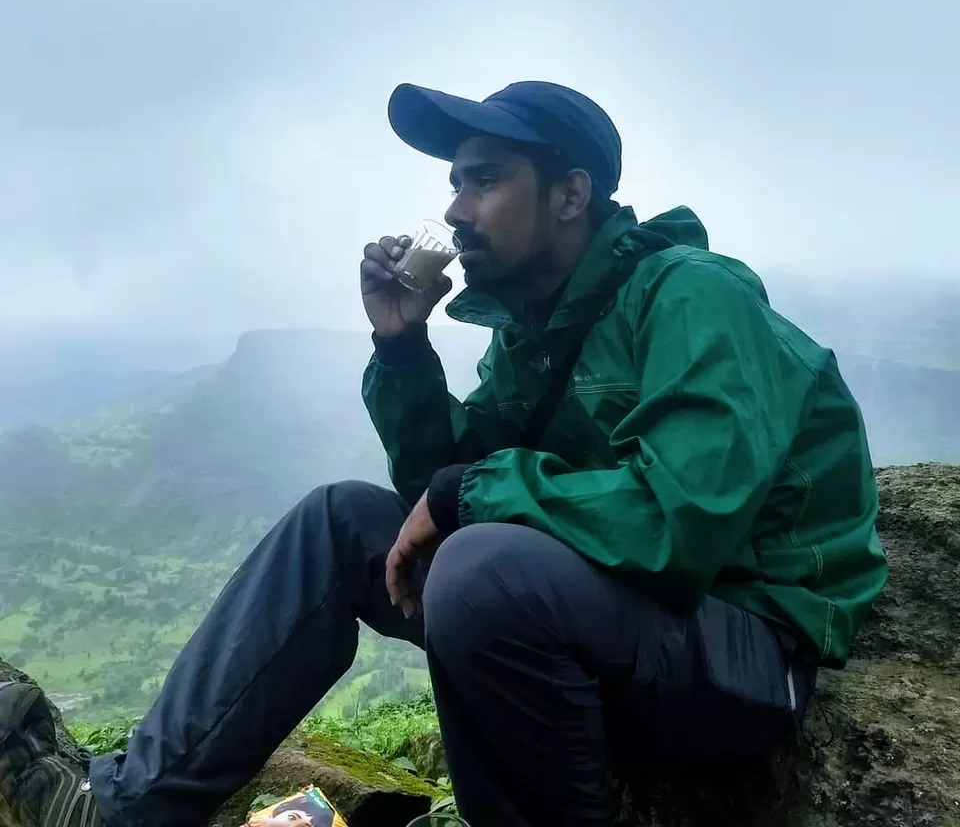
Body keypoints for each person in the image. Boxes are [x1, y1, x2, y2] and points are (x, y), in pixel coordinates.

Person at [0, 81, 888, 827]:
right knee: (341, 520)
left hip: (743, 651)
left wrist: (472, 494)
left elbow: (680, 522)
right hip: (621, 628)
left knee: (484, 567)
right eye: (455, 184)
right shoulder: (537, 331)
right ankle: (126, 808)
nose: (456, 211)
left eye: (486, 182)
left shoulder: (692, 297)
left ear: (570, 195)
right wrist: (401, 349)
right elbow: (431, 496)